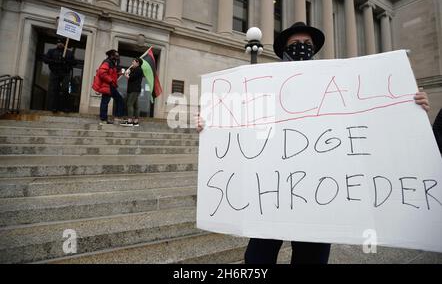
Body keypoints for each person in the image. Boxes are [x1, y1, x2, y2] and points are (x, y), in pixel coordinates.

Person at [195, 21, 431, 264]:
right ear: (284, 51)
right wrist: (210, 125)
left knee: (311, 259)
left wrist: (409, 108)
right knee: (258, 258)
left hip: (317, 193)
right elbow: (241, 121)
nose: (302, 48)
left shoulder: (333, 86)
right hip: (269, 191)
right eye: (295, 44)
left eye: (307, 44)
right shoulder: (264, 86)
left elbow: (369, 117)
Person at [43, 38, 76, 113]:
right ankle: (54, 107)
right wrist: (55, 61)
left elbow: (74, 62)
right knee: (55, 90)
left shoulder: (69, 53)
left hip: (65, 73)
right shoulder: (51, 51)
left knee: (65, 89)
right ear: (56, 44)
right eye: (59, 43)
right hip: (55, 73)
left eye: (62, 43)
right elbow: (45, 60)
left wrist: (66, 61)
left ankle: (66, 108)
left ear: (64, 44)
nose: (60, 44)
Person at [95, 49, 125, 125]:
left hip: (111, 86)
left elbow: (112, 75)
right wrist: (111, 80)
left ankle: (107, 119)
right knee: (107, 101)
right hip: (108, 86)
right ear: (111, 55)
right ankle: (105, 119)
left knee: (116, 100)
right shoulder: (107, 62)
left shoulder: (112, 63)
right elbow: (102, 73)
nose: (117, 57)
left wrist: (120, 74)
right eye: (116, 55)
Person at [121, 58, 144, 127]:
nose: (132, 63)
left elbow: (131, 78)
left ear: (137, 63)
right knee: (136, 106)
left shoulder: (139, 70)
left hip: (134, 90)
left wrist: (125, 74)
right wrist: (128, 72)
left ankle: (130, 121)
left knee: (129, 104)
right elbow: (131, 77)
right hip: (134, 90)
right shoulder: (135, 70)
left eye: (133, 62)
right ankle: (136, 122)